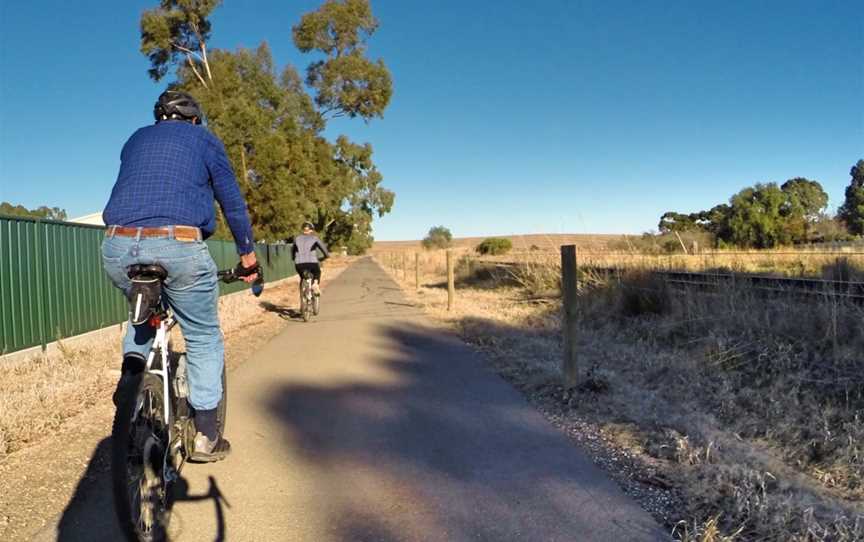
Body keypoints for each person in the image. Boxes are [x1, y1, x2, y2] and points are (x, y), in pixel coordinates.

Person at [101, 90, 258, 462]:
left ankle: (131, 379)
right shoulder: (204, 139)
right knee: (203, 335)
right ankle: (205, 436)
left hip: (116, 245)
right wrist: (248, 255)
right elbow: (231, 200)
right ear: (193, 119)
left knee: (143, 316)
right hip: (179, 245)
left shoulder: (135, 139)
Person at [292, 222, 330, 295]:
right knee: (317, 272)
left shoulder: (296, 239)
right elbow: (324, 250)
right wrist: (325, 257)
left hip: (299, 264)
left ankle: (303, 297)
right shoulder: (315, 238)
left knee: (303, 276)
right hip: (312, 263)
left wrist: (294, 258)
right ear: (311, 230)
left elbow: (292, 251)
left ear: (302, 230)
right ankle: (315, 284)